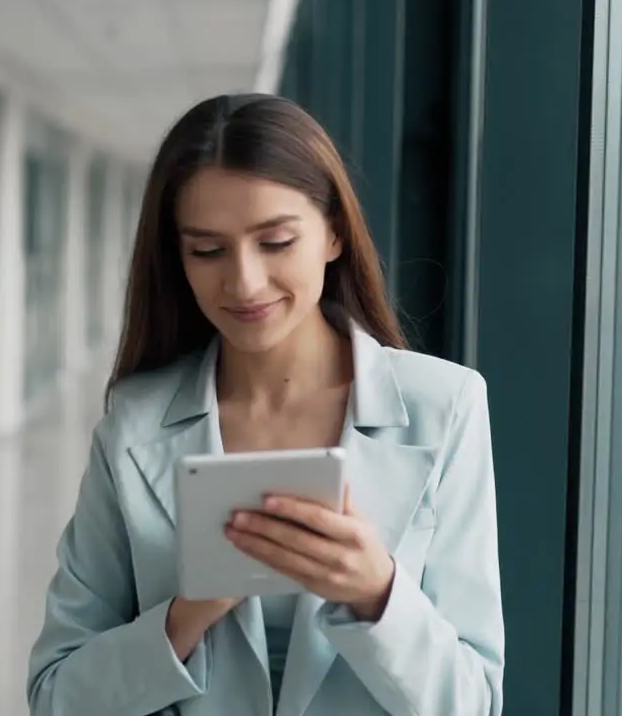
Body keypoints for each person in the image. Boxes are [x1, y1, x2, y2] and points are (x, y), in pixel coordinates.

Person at [26, 93, 505, 716]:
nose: (245, 282)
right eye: (207, 250)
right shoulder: (134, 423)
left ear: (334, 232)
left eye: (275, 241)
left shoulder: (447, 407)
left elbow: (474, 702)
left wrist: (375, 594)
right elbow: (57, 696)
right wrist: (185, 617)